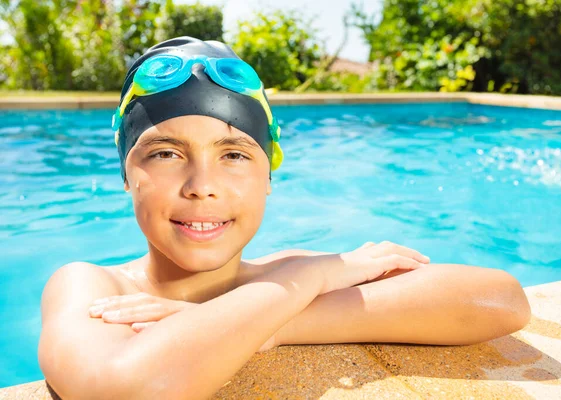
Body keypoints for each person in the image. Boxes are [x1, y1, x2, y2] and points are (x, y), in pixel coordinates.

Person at [37, 37, 531, 400]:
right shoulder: (92, 286)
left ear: (269, 177)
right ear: (127, 173)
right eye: (166, 153)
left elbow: (500, 300)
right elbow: (121, 389)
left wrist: (274, 319)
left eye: (234, 155)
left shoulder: (283, 274)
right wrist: (304, 280)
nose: (201, 184)